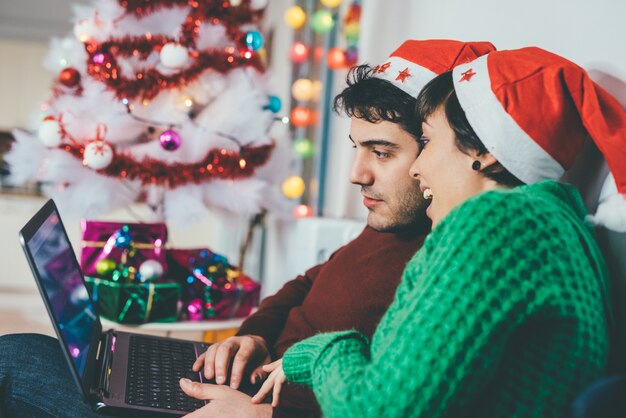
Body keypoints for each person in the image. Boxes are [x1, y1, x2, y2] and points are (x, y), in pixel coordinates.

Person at [0, 40, 495, 418]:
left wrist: (264, 414)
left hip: (251, 409)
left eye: (381, 152)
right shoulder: (390, 224)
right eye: (357, 147)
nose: (357, 173)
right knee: (36, 352)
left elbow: (391, 400)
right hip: (243, 385)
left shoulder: (446, 260)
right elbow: (308, 284)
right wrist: (253, 337)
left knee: (14, 362)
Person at [234, 46, 626, 417]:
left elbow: (375, 409)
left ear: (484, 151)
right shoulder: (545, 221)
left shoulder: (498, 225)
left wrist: (314, 354)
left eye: (427, 140)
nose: (418, 166)